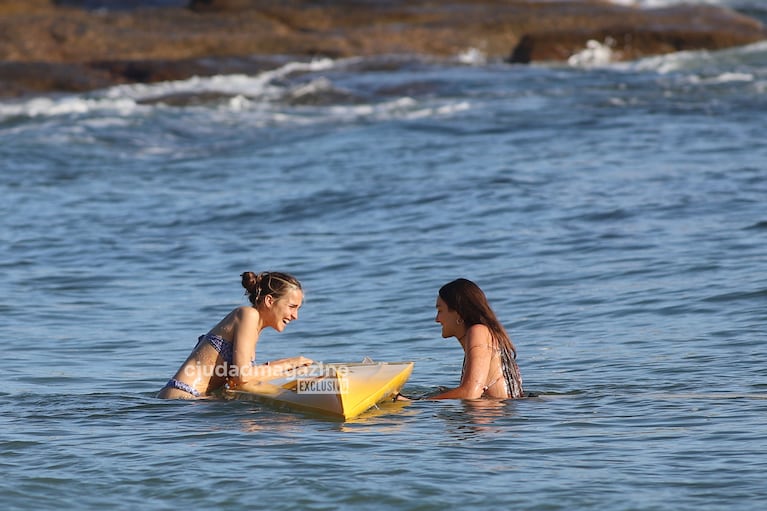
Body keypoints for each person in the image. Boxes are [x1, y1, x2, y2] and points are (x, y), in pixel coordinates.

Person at [157, 271, 312, 399]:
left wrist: (288, 367)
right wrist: (291, 364)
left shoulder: (253, 327)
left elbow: (238, 379)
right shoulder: (248, 314)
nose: (295, 316)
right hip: (182, 400)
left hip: (193, 401)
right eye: (292, 307)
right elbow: (243, 376)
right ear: (269, 301)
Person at [430, 278, 523, 400]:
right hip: (501, 413)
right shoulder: (483, 334)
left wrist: (417, 403)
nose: (437, 319)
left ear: (458, 312)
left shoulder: (478, 331)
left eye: (440, 310)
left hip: (495, 416)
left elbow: (470, 393)